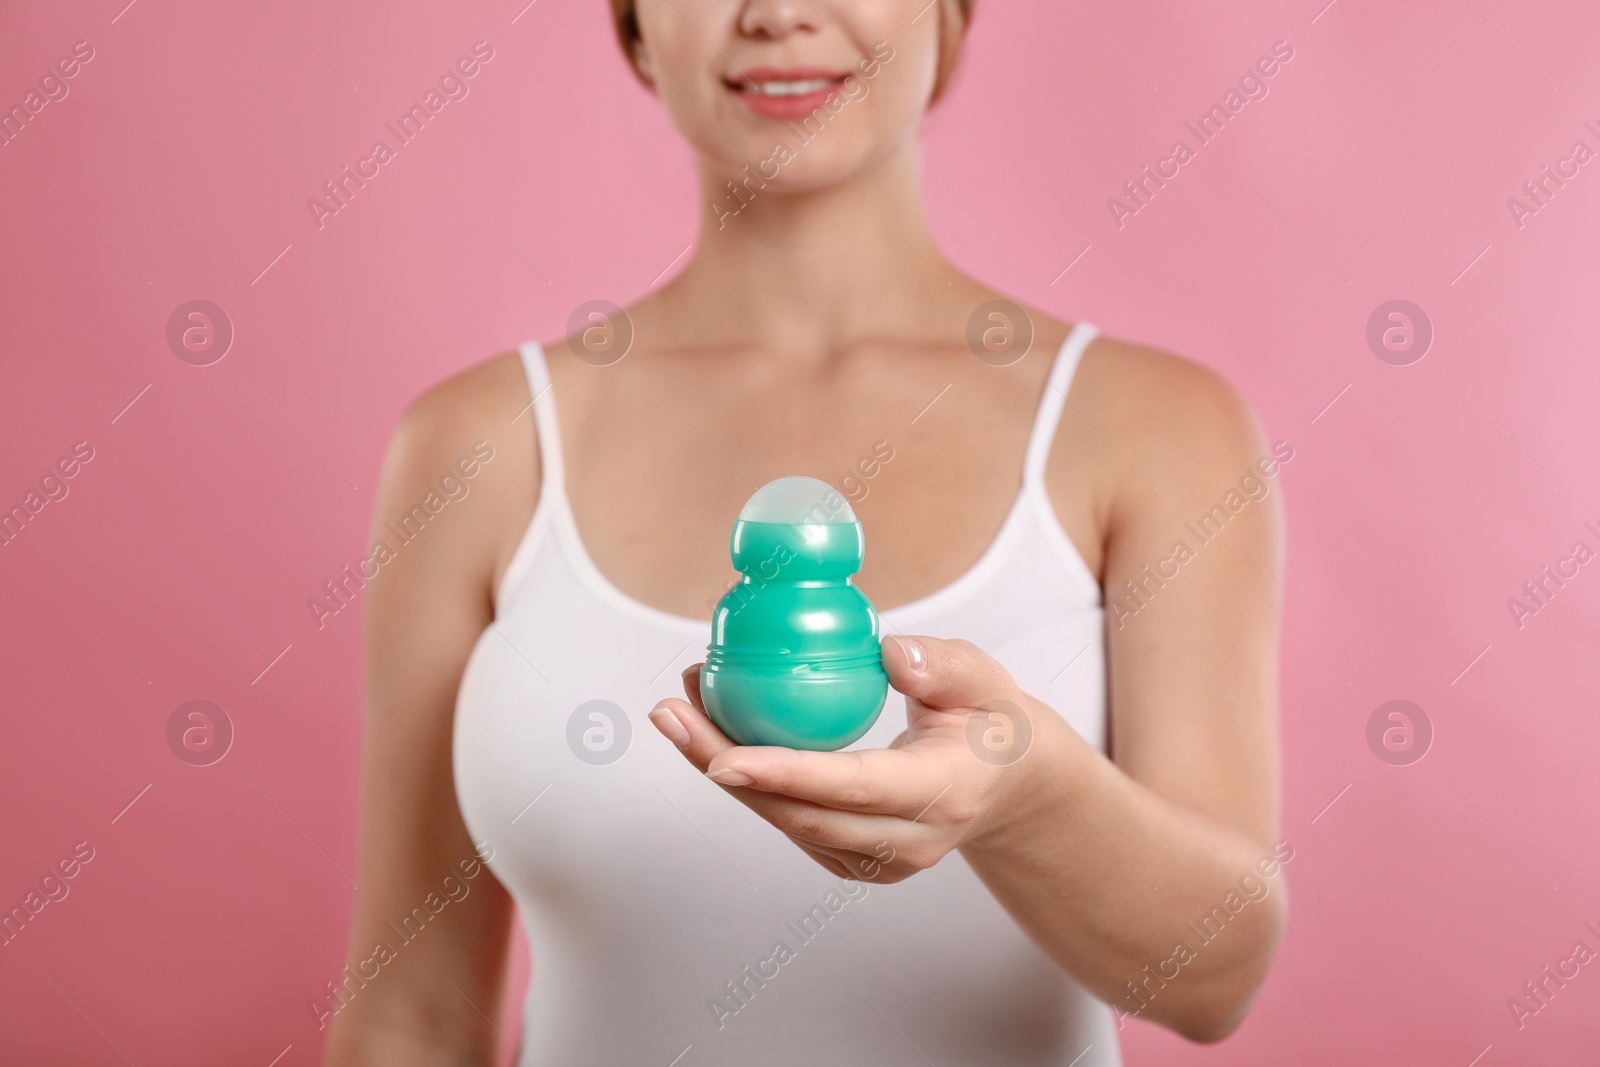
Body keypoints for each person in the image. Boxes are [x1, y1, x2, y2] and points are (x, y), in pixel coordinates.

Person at [323, 1, 1288, 1063]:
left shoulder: (1158, 428)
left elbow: (1215, 977)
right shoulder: (477, 444)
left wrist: (1023, 793)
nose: (776, 13)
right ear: (636, 28)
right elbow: (409, 1015)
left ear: (951, 18)